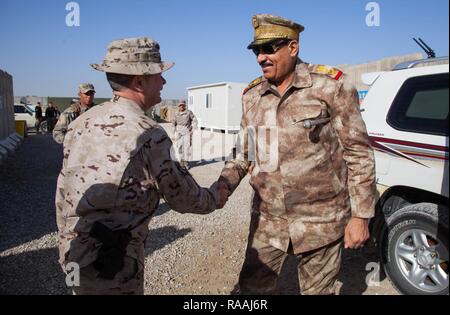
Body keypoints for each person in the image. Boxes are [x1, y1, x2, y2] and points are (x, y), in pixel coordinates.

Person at [215, 14, 377, 295]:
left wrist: (361, 216)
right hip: (268, 220)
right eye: (256, 51)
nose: (260, 58)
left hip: (321, 220)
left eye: (269, 49)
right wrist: (220, 188)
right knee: (252, 290)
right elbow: (245, 153)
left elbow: (358, 152)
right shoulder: (252, 96)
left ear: (293, 48)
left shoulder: (330, 86)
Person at [55, 36, 225, 295]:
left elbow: (63, 193)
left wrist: (66, 246)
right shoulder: (148, 134)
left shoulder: (80, 124)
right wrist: (227, 182)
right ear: (139, 80)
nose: (164, 82)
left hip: (77, 256)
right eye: (159, 74)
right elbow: (187, 199)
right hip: (113, 265)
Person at [172, 100, 198, 169]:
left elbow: (194, 119)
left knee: (186, 147)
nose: (181, 106)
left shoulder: (189, 112)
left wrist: (194, 127)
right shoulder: (176, 113)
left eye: (183, 105)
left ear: (185, 105)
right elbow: (173, 123)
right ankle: (181, 161)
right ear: (178, 106)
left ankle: (186, 162)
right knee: (179, 147)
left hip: (187, 132)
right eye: (180, 105)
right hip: (179, 132)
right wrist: (173, 133)